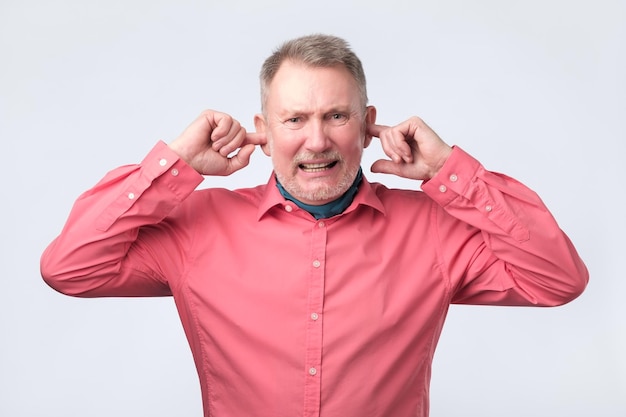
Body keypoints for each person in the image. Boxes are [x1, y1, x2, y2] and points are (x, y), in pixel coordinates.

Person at [40, 34, 588, 417]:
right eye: (294, 119)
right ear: (264, 130)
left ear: (369, 125)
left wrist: (450, 172)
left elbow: (557, 280)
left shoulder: (435, 230)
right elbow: (70, 268)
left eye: (337, 116)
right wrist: (174, 165)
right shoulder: (197, 229)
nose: (317, 140)